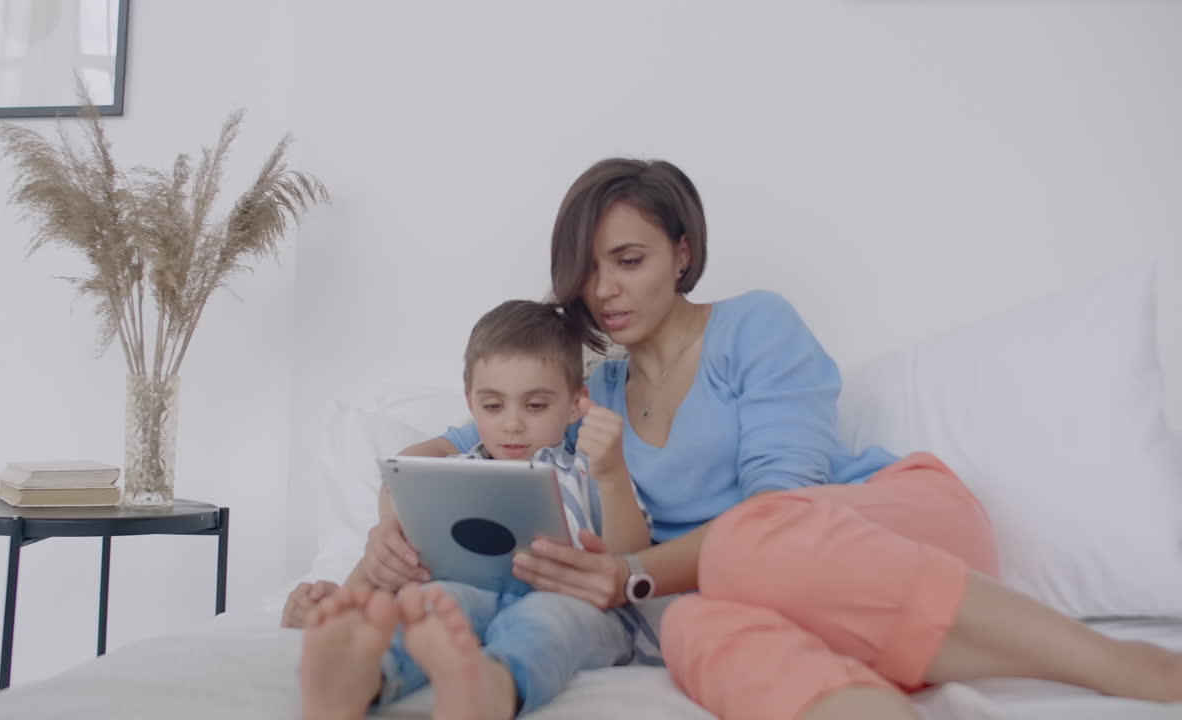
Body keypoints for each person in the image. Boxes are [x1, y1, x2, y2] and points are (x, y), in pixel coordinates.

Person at [369, 157, 1182, 720]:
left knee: (743, 546)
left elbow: (784, 510)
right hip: (747, 591)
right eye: (587, 270)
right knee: (687, 632)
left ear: (681, 253)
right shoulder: (594, 392)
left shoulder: (753, 325)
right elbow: (458, 446)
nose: (605, 289)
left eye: (628, 259)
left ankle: (1114, 663)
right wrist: (391, 515)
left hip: (887, 533)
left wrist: (631, 574)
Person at [298, 299, 654, 720]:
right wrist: (344, 596)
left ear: (576, 404)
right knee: (430, 602)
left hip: (572, 604)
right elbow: (400, 554)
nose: (512, 424)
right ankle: (363, 675)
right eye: (493, 406)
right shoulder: (451, 475)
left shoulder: (588, 471)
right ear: (470, 403)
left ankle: (494, 685)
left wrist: (611, 475)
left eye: (535, 406)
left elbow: (632, 555)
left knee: (547, 620)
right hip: (472, 593)